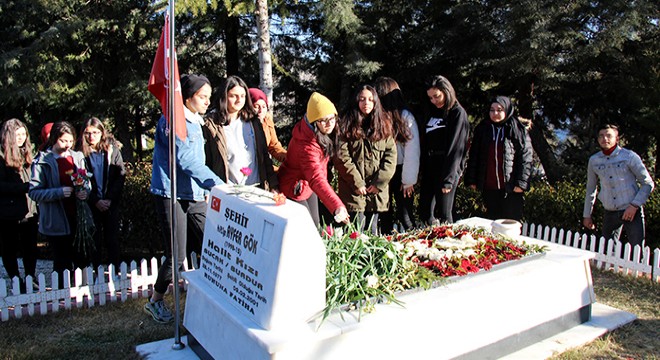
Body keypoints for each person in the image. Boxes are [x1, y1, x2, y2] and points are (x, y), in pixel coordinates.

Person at [146, 74, 224, 324]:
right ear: (187, 97)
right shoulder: (174, 121)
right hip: (171, 193)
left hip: (195, 193)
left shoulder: (195, 120)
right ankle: (156, 300)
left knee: (211, 244)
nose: (207, 102)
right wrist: (218, 185)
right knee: (176, 254)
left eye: (209, 97)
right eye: (202, 97)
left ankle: (212, 299)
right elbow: (186, 160)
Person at [29, 121, 90, 284]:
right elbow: (34, 192)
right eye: (63, 141)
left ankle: (81, 291)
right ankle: (63, 294)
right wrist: (58, 192)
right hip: (56, 219)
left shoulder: (77, 157)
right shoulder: (42, 161)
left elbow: (85, 181)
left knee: (80, 256)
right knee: (62, 260)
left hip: (77, 216)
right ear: (54, 138)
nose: (67, 145)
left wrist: (85, 191)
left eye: (71, 141)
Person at [278, 92, 349, 227]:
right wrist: (337, 206)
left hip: (307, 186)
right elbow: (316, 177)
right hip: (294, 188)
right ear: (314, 121)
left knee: (315, 224)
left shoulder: (318, 132)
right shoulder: (306, 146)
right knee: (307, 228)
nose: (329, 124)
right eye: (323, 120)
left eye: (332, 118)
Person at [335, 85, 396, 235]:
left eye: (370, 99)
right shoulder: (346, 125)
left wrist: (378, 183)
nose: (366, 103)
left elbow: (390, 157)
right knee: (355, 233)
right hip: (353, 191)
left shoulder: (384, 125)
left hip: (375, 192)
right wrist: (357, 183)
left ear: (375, 102)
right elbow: (342, 157)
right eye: (362, 99)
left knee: (373, 231)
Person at [583, 124, 654, 248]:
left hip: (631, 210)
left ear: (617, 138)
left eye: (609, 135)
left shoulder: (629, 156)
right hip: (610, 211)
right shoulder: (594, 160)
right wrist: (587, 215)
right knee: (607, 250)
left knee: (637, 250)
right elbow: (591, 188)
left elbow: (647, 183)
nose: (605, 139)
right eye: (601, 136)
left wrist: (634, 205)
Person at [203, 76, 278, 190]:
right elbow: (207, 160)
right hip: (227, 189)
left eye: (242, 96)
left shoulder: (253, 121)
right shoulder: (212, 124)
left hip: (256, 187)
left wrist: (273, 185)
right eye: (234, 96)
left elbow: (264, 155)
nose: (239, 100)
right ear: (224, 96)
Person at [464, 96, 533, 221]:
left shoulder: (517, 129)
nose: (495, 113)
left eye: (499, 110)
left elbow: (526, 157)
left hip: (511, 188)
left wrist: (521, 184)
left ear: (507, 110)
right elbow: (474, 156)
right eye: (492, 110)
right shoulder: (483, 129)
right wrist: (472, 179)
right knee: (492, 222)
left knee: (510, 224)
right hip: (489, 187)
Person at [418, 75, 469, 225]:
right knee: (425, 213)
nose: (434, 101)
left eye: (437, 96)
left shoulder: (457, 113)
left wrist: (448, 180)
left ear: (446, 91)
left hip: (446, 169)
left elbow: (456, 149)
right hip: (429, 167)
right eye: (431, 98)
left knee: (445, 214)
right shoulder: (432, 111)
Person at [77, 117, 126, 271]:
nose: (92, 137)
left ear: (102, 133)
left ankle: (116, 270)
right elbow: (79, 180)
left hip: (110, 201)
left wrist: (109, 199)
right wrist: (95, 200)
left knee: (112, 239)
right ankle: (96, 270)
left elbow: (120, 175)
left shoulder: (111, 150)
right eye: (88, 133)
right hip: (92, 203)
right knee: (95, 239)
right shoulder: (80, 153)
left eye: (96, 132)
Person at [373, 77, 420, 233]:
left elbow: (412, 150)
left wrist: (408, 180)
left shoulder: (405, 116)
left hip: (401, 171)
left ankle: (416, 244)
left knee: (405, 214)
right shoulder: (378, 117)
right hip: (383, 170)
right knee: (384, 213)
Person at [0, 119, 39, 292]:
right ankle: (16, 279)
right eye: (18, 135)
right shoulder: (1, 157)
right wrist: (25, 187)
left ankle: (30, 277)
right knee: (9, 248)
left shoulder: (28, 154)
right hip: (8, 212)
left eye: (24, 134)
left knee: (30, 247)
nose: (22, 138)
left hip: (29, 210)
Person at [248, 87, 287, 165]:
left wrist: (290, 158)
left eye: (264, 106)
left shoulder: (267, 121)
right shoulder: (242, 125)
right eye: (256, 106)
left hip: (264, 165)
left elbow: (274, 146)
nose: (261, 111)